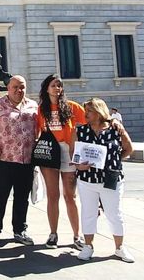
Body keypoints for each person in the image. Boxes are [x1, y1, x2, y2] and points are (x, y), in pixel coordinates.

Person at [0, 75, 39, 246]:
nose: (19, 90)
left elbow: (38, 128)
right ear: (8, 88)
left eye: (22, 87)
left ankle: (20, 230)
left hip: (26, 160)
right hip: (5, 159)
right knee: (0, 195)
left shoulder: (33, 106)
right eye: (15, 87)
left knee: (22, 197)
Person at [75, 98, 135, 263]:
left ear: (99, 112)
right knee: (88, 212)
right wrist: (79, 166)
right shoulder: (81, 131)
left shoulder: (116, 129)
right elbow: (76, 154)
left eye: (89, 111)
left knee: (114, 213)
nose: (86, 114)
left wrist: (114, 160)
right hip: (87, 179)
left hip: (110, 178)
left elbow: (129, 149)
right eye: (85, 111)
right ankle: (88, 246)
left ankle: (119, 247)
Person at [36, 74, 86, 249]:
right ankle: (53, 234)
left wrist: (113, 123)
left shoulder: (71, 107)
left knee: (70, 196)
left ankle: (76, 235)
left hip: (67, 152)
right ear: (46, 88)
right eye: (53, 85)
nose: (57, 88)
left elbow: (91, 119)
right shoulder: (42, 109)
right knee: (52, 195)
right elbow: (37, 131)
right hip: (50, 152)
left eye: (59, 85)